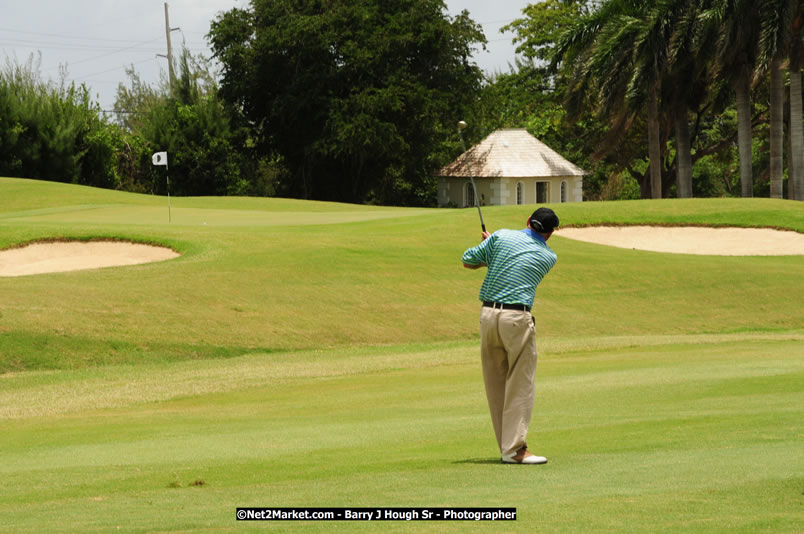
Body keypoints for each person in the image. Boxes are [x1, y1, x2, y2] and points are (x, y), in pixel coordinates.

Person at [461, 207, 559, 464]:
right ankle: (515, 450)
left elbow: (468, 259)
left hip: (488, 317)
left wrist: (492, 248)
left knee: (496, 384)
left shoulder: (501, 236)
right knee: (520, 383)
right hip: (516, 320)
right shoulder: (548, 256)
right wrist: (494, 250)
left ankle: (508, 449)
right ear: (550, 234)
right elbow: (519, 262)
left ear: (527, 221)